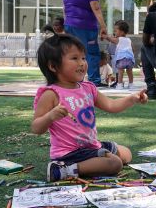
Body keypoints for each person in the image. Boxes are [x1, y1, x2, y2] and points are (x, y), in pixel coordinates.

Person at [31, 32, 147, 182]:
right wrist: (50, 116)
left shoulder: (88, 88)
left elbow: (111, 105)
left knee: (126, 154)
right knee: (114, 163)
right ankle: (63, 169)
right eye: (74, 58)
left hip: (90, 146)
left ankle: (96, 156)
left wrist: (132, 98)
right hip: (69, 153)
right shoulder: (51, 94)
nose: (82, 63)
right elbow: (36, 128)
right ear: (53, 66)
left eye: (83, 58)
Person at [63, 0, 108, 87]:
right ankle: (94, 81)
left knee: (73, 53)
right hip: (85, 27)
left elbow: (64, 10)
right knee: (91, 53)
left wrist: (66, 25)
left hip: (69, 25)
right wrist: (103, 26)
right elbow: (96, 8)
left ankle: (74, 80)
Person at [104, 20, 135, 89]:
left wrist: (105, 36)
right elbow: (133, 49)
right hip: (129, 58)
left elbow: (111, 40)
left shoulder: (119, 39)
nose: (115, 32)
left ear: (122, 32)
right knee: (130, 72)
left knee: (120, 71)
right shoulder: (129, 40)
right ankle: (131, 84)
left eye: (116, 31)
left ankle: (120, 84)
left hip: (121, 58)